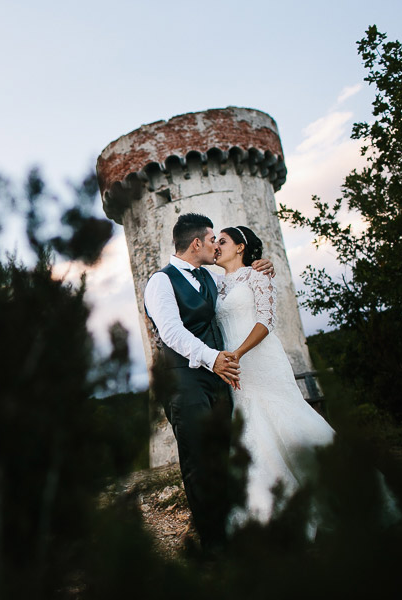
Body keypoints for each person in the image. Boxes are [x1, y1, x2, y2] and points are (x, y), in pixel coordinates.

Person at [213, 225, 402, 537]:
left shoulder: (258, 275)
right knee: (252, 427)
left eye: (222, 241)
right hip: (238, 372)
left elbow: (266, 320)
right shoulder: (217, 284)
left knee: (289, 419)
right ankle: (267, 506)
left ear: (241, 247)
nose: (216, 246)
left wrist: (238, 353)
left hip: (258, 360)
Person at [143, 213, 275, 553]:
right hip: (183, 378)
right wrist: (212, 357)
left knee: (224, 452)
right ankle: (215, 545)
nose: (217, 244)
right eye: (213, 238)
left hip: (218, 377)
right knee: (199, 458)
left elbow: (237, 285)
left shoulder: (210, 277)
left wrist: (261, 265)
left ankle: (234, 525)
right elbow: (171, 332)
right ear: (197, 242)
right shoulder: (161, 281)